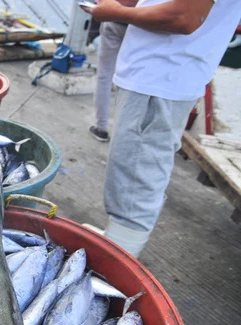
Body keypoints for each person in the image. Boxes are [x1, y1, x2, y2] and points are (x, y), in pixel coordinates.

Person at [81, 0, 241, 257]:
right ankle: (118, 240)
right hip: (154, 76)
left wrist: (114, 12)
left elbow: (183, 17)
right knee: (128, 169)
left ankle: (117, 260)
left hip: (160, 79)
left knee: (136, 178)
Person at [89, 0, 138, 142]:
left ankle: (101, 127)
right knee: (134, 80)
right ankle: (127, 134)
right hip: (141, 26)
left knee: (104, 76)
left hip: (115, 21)